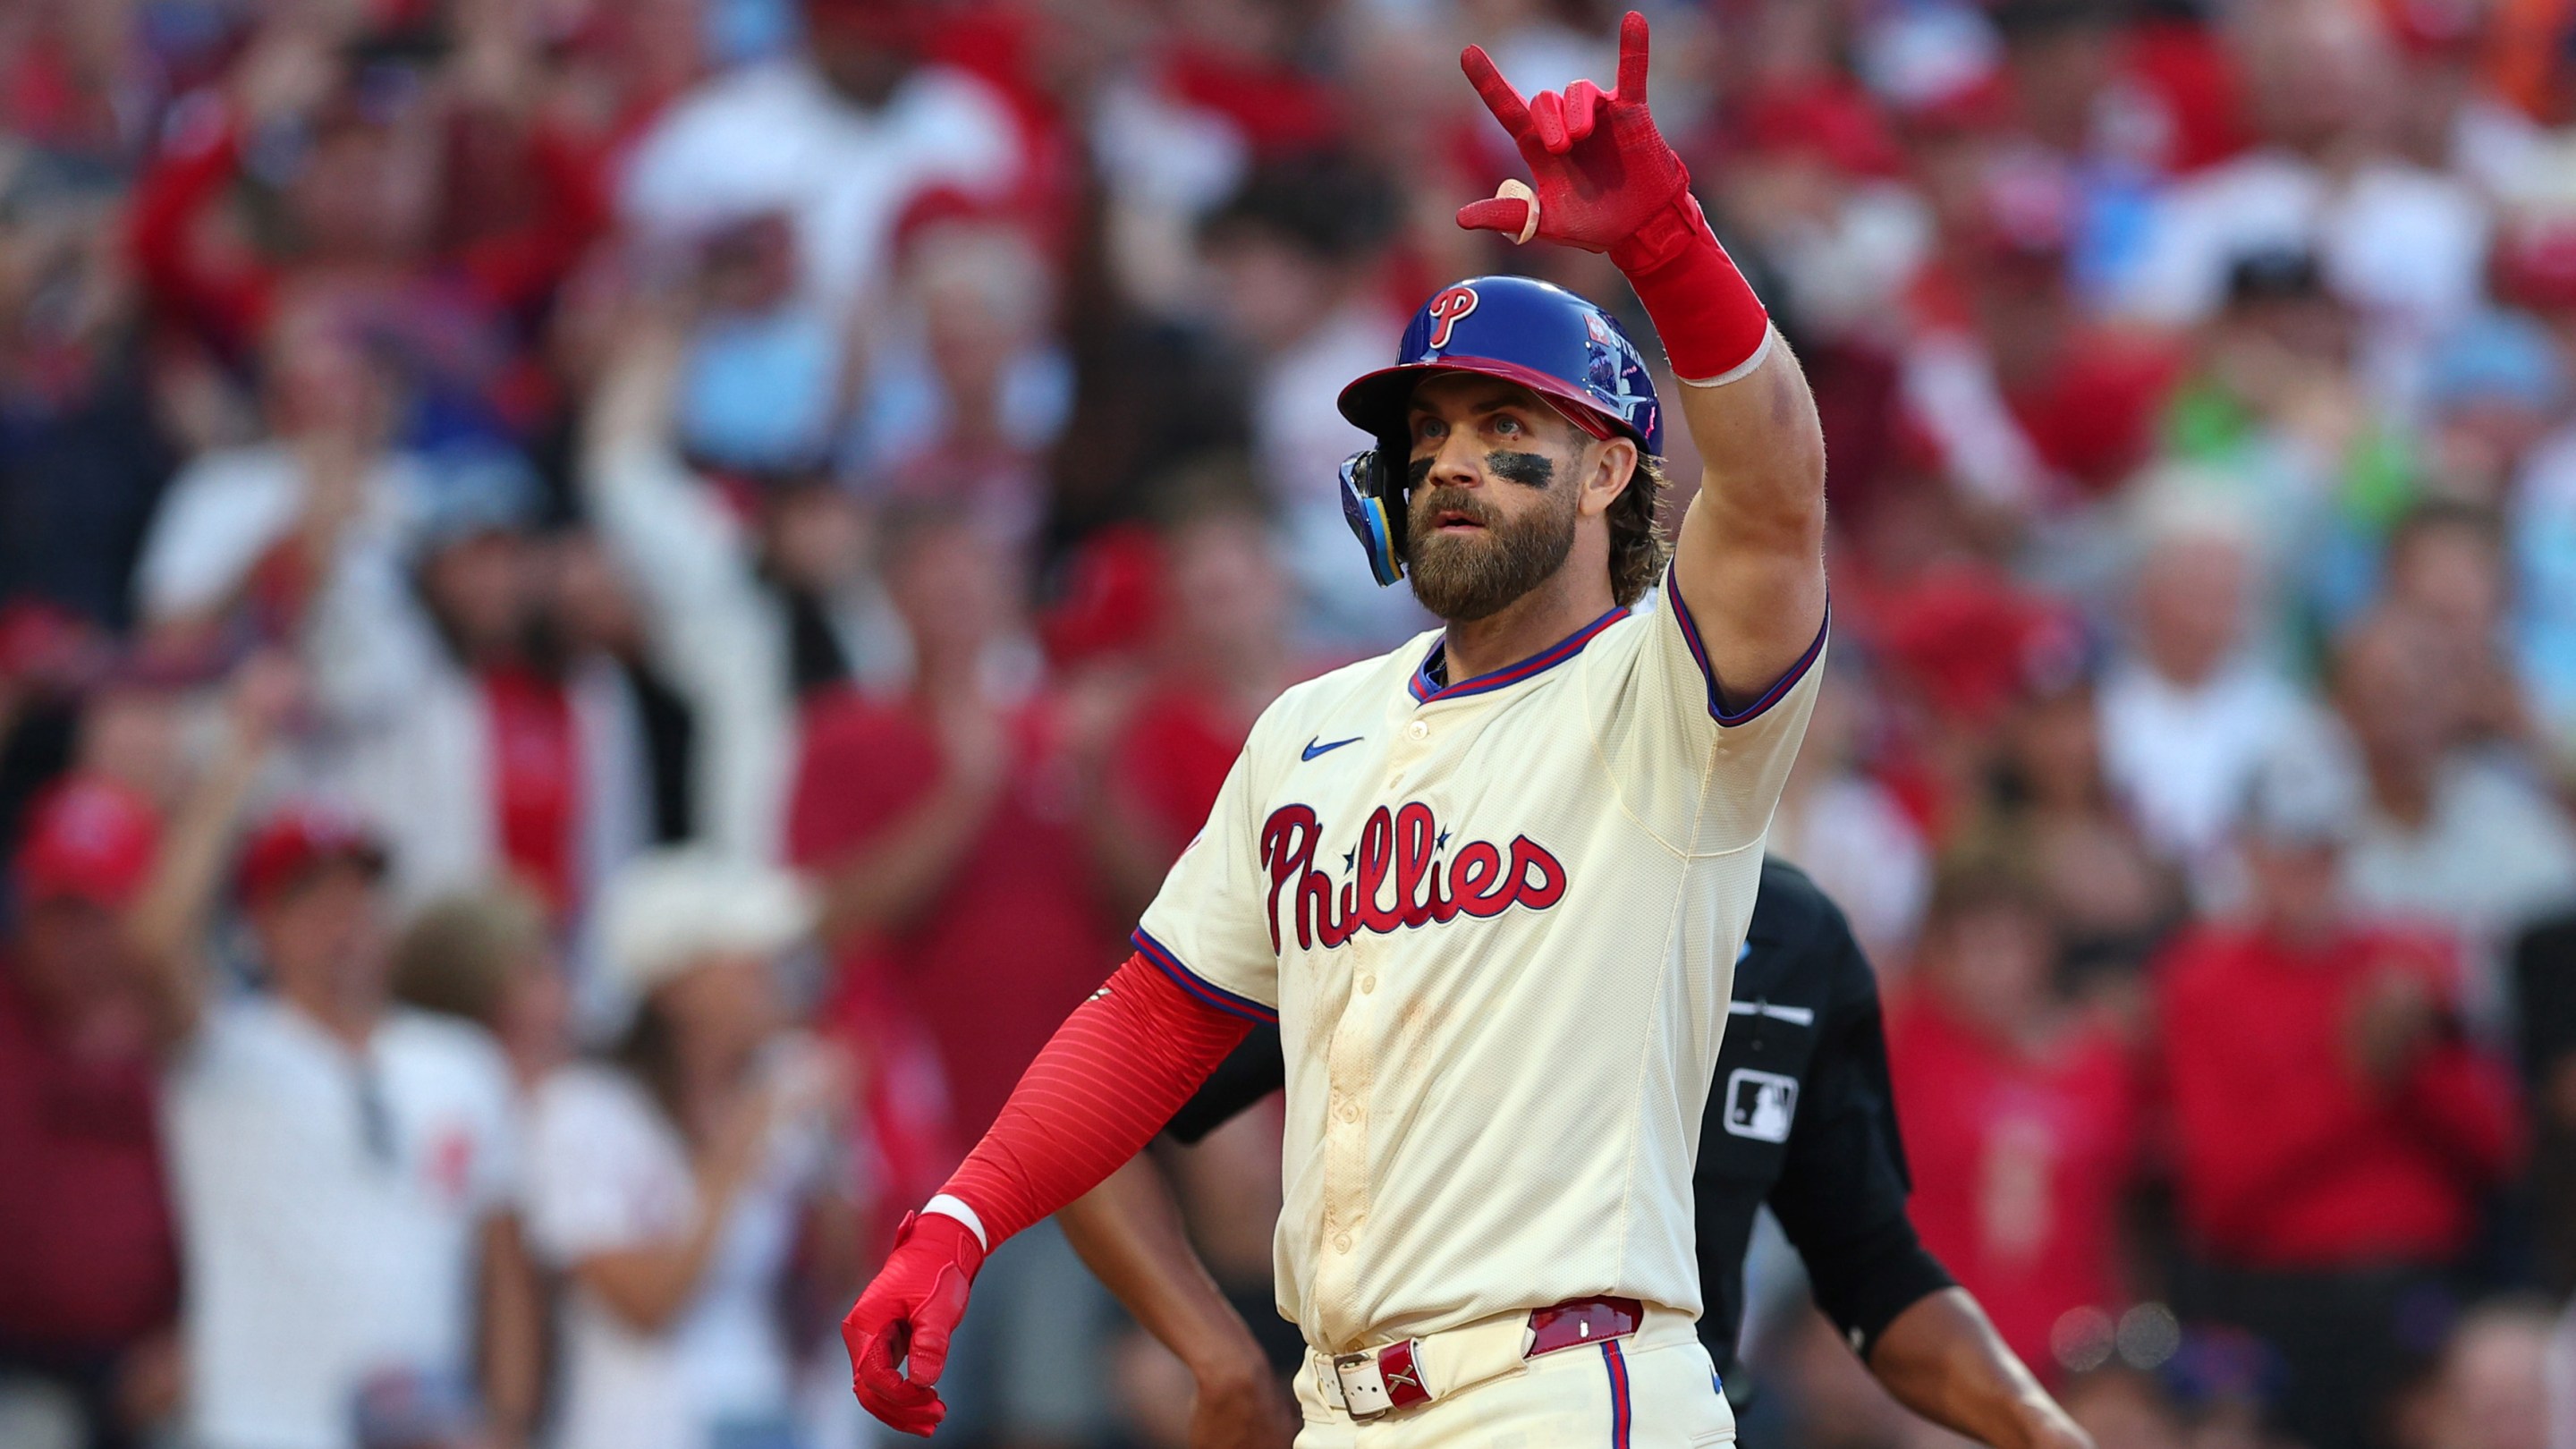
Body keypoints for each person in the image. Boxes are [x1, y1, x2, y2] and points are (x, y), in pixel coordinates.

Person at [843, 15, 1832, 1447]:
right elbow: (1153, 1020)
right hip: (1341, 1404)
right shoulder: (1314, 725)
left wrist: (1666, 244)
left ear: (1612, 467)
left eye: (1509, 428)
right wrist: (959, 1218)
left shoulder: (1670, 690)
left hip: (1563, 1385)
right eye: (1424, 432)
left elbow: (1782, 493)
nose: (1451, 461)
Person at [1058, 857, 2094, 1449]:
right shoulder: (1416, 891)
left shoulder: (1796, 936)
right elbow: (1091, 1117)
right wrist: (1221, 1357)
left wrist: (2041, 1431)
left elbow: (1870, 1264)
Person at [2157, 748, 2521, 1449]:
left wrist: (2416, 1062)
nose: (2306, 869)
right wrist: (2355, 1078)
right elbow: (2219, 1192)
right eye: (2287, 849)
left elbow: (2497, 1147)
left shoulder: (2416, 955)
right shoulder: (2200, 981)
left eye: (2322, 848)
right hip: (2279, 1293)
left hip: (2422, 1283)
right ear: (2249, 854)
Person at [152, 797, 540, 1449]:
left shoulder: (459, 1061)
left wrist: (506, 1422)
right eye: (310, 898)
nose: (344, 921)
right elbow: (151, 943)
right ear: (260, 924)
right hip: (258, 1427)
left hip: (427, 1431)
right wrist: (236, 763)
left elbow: (504, 1268)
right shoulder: (224, 1051)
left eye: (360, 894)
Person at [522, 848, 860, 1449]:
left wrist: (835, 1149)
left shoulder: (785, 1081)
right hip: (641, 1426)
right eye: (747, 960)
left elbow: (847, 1279)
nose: (775, 975)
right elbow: (649, 1305)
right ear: (674, 988)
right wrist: (737, 1146)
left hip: (777, 1413)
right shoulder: (581, 1111)